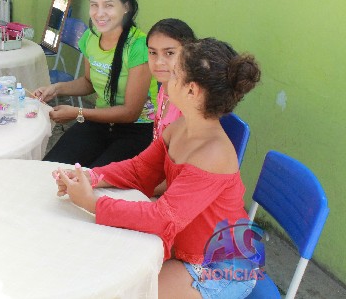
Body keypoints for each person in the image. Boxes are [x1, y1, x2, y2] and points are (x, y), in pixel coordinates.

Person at [54, 37, 261, 299]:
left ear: (191, 91)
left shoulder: (214, 155)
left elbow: (161, 219)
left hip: (220, 266)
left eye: (175, 73)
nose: (164, 74)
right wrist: (92, 176)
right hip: (184, 244)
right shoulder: (181, 127)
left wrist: (92, 203)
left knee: (130, 292)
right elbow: (140, 170)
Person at [33, 0, 157, 168]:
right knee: (50, 168)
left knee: (93, 179)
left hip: (136, 129)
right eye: (94, 5)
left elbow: (130, 112)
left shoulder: (139, 46)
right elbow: (88, 82)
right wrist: (56, 89)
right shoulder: (90, 37)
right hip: (100, 122)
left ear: (126, 7)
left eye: (109, 5)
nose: (99, 13)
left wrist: (78, 113)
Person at [147, 18, 197, 141]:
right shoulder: (165, 87)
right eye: (153, 53)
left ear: (189, 54)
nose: (158, 62)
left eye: (169, 53)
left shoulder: (189, 103)